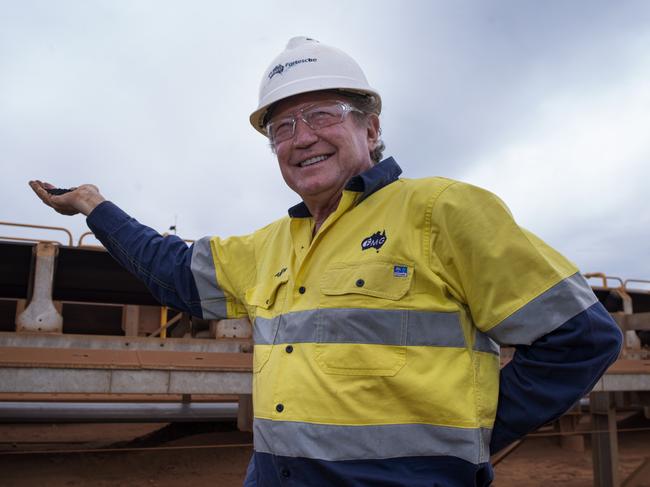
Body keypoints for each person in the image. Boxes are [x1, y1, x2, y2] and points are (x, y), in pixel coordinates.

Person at [30, 37, 622, 487]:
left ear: (371, 126)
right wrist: (95, 207)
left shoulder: (441, 210)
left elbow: (581, 339)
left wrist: (465, 438)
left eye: (323, 114)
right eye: (282, 126)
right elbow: (177, 274)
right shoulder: (270, 245)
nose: (300, 137)